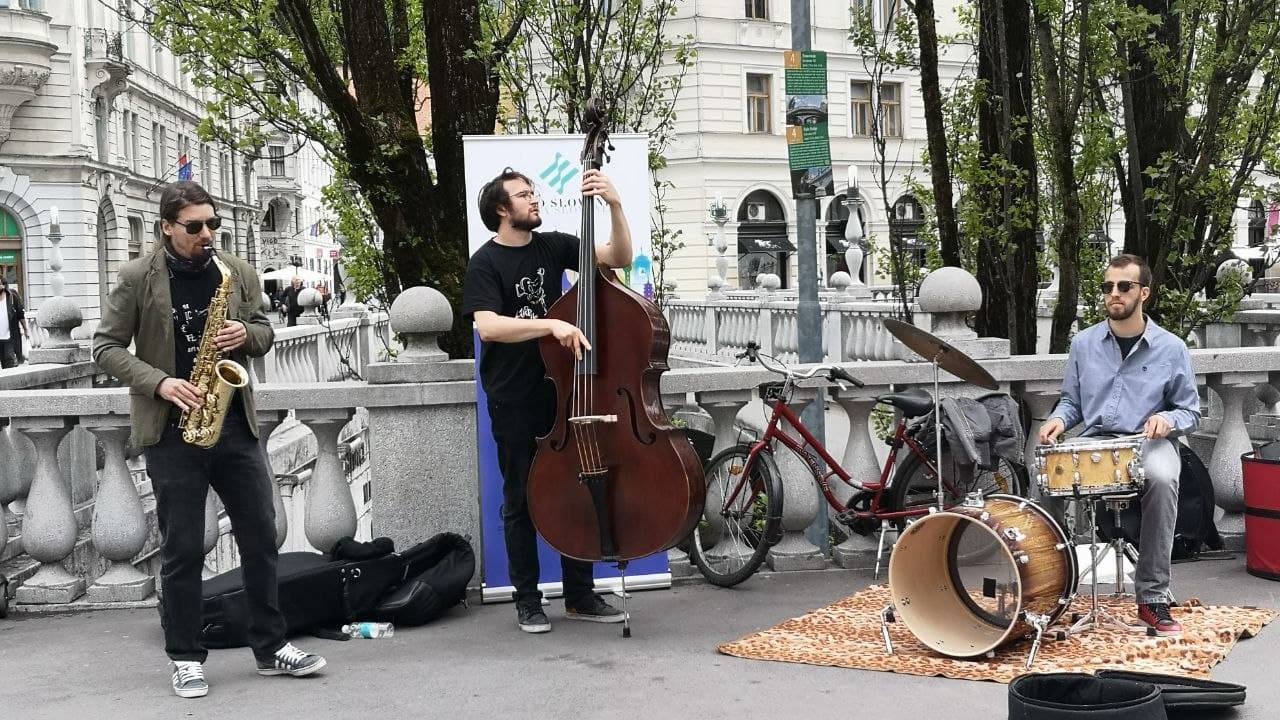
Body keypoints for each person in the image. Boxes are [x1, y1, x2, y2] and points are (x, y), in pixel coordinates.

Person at [92, 181, 326, 698]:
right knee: (182, 548)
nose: (207, 234)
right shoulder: (137, 277)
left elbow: (264, 333)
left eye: (212, 224)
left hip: (234, 426)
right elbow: (106, 347)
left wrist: (246, 333)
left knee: (260, 537)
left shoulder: (235, 272)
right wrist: (160, 382)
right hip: (173, 430)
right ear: (167, 228)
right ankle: (184, 656)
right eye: (195, 226)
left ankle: (270, 646)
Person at [462, 167, 633, 634]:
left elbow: (618, 256)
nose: (534, 199)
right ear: (502, 210)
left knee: (579, 488)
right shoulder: (485, 263)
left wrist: (615, 204)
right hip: (514, 397)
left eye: (533, 192)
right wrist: (551, 324)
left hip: (563, 392)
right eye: (523, 195)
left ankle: (579, 595)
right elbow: (489, 327)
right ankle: (527, 601)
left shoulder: (553, 246)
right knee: (520, 499)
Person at [1037, 253, 1200, 636]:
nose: (1114, 293)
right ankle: (1049, 589)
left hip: (1148, 441)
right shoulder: (1083, 343)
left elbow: (1190, 411)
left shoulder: (1172, 347)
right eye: (1107, 286)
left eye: (1124, 286)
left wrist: (1167, 420)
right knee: (1044, 476)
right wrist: (1059, 419)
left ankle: (1152, 598)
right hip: (1096, 439)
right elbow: (1072, 402)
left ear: (1144, 292)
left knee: (1162, 478)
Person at [0, 276, 29, 368]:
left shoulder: (12, 296)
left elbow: (20, 315)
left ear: (3, 285)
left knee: (9, 365)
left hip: (9, 338)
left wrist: (26, 329)